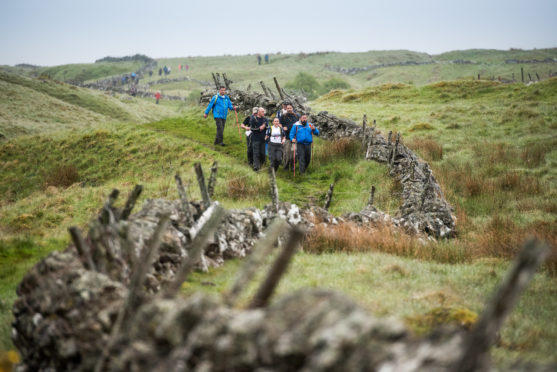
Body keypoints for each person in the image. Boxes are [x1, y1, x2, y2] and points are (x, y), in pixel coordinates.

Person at [279, 104, 299, 170]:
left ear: (292, 108)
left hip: (295, 137)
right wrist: (283, 127)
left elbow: (300, 124)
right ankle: (286, 167)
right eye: (288, 108)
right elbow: (279, 123)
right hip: (287, 137)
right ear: (286, 109)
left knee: (294, 153)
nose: (289, 109)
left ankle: (293, 166)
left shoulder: (296, 116)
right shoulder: (283, 116)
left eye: (290, 108)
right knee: (287, 154)